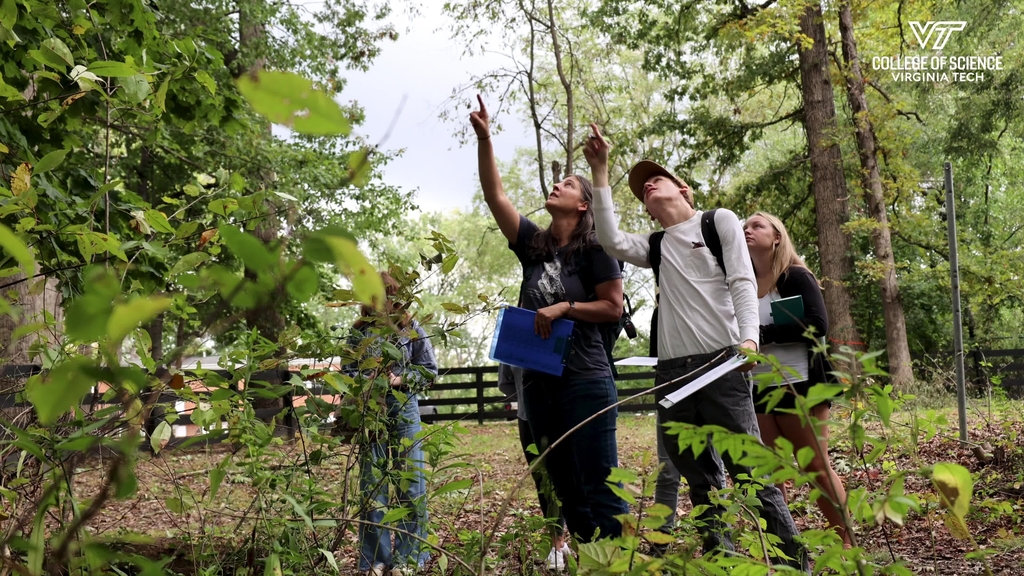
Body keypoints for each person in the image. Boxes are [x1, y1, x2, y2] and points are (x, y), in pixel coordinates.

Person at [583, 125, 809, 572]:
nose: (648, 184)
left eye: (657, 178)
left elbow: (742, 279)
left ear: (682, 189)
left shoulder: (717, 220)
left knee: (750, 470)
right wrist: (600, 170)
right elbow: (611, 241)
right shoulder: (656, 245)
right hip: (671, 372)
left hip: (722, 364)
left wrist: (749, 338)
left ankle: (794, 562)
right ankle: (720, 561)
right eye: (642, 188)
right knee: (698, 477)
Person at [471, 95, 629, 543]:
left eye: (568, 184)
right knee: (564, 488)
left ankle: (616, 564)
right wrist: (486, 139)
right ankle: (587, 557)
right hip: (539, 384)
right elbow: (494, 195)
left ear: (583, 205)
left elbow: (612, 307)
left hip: (586, 380)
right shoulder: (534, 245)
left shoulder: (597, 248)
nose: (558, 185)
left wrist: (565, 308)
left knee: (600, 486)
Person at [744, 211, 851, 547]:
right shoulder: (742, 284)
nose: (748, 230)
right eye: (744, 227)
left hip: (801, 384)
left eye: (757, 225)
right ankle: (785, 547)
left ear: (777, 237)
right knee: (772, 473)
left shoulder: (795, 276)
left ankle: (846, 542)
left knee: (815, 468)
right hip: (759, 386)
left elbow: (818, 325)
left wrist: (763, 333)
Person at [347, 271, 437, 576]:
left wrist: (400, 379)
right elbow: (346, 372)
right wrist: (365, 380)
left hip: (404, 408)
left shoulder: (410, 329)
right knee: (372, 484)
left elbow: (429, 370)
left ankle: (410, 558)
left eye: (387, 293)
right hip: (370, 411)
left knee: (411, 482)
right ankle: (376, 558)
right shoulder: (359, 332)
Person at [497, 364, 571, 569]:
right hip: (527, 418)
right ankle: (557, 540)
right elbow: (505, 382)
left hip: (561, 413)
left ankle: (559, 541)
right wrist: (527, 398)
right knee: (542, 481)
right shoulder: (513, 338)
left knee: (562, 477)